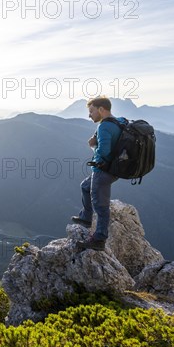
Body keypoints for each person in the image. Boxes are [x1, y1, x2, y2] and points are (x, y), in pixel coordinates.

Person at [71, 96, 123, 251]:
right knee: (85, 186)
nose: (89, 115)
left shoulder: (104, 127)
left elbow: (104, 151)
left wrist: (93, 146)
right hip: (114, 169)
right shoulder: (118, 122)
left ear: (101, 109)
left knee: (101, 206)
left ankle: (99, 239)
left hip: (103, 170)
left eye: (91, 111)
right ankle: (86, 218)